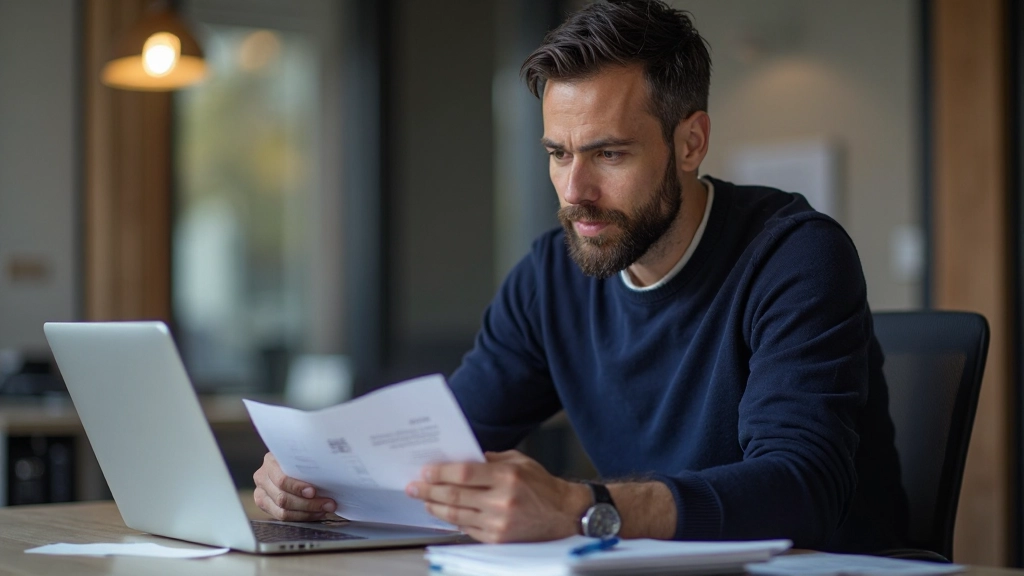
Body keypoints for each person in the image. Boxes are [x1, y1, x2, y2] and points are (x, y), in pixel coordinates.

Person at [253, 0, 908, 552]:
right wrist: (314, 475)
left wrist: (578, 508)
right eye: (558, 154)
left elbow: (800, 489)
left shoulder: (795, 257)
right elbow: (444, 440)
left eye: (609, 154)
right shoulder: (549, 277)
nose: (574, 192)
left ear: (690, 142)